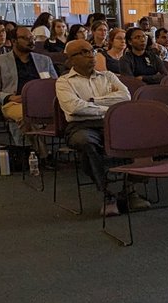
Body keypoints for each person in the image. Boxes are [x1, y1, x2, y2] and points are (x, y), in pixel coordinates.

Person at [56, 39, 136, 217]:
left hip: (111, 123)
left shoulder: (107, 76)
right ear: (70, 60)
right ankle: (108, 194)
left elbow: (125, 97)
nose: (90, 56)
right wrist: (107, 108)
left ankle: (129, 190)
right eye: (83, 53)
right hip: (80, 126)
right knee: (87, 143)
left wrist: (92, 101)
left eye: (91, 51)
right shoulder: (64, 82)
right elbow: (74, 108)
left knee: (135, 135)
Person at [0, 26, 57, 142]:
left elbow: (55, 84)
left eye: (32, 38)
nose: (31, 41)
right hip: (13, 102)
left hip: (41, 101)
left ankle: (30, 153)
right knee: (25, 116)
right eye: (26, 38)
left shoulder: (44, 60)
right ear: (14, 41)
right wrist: (10, 97)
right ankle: (39, 154)